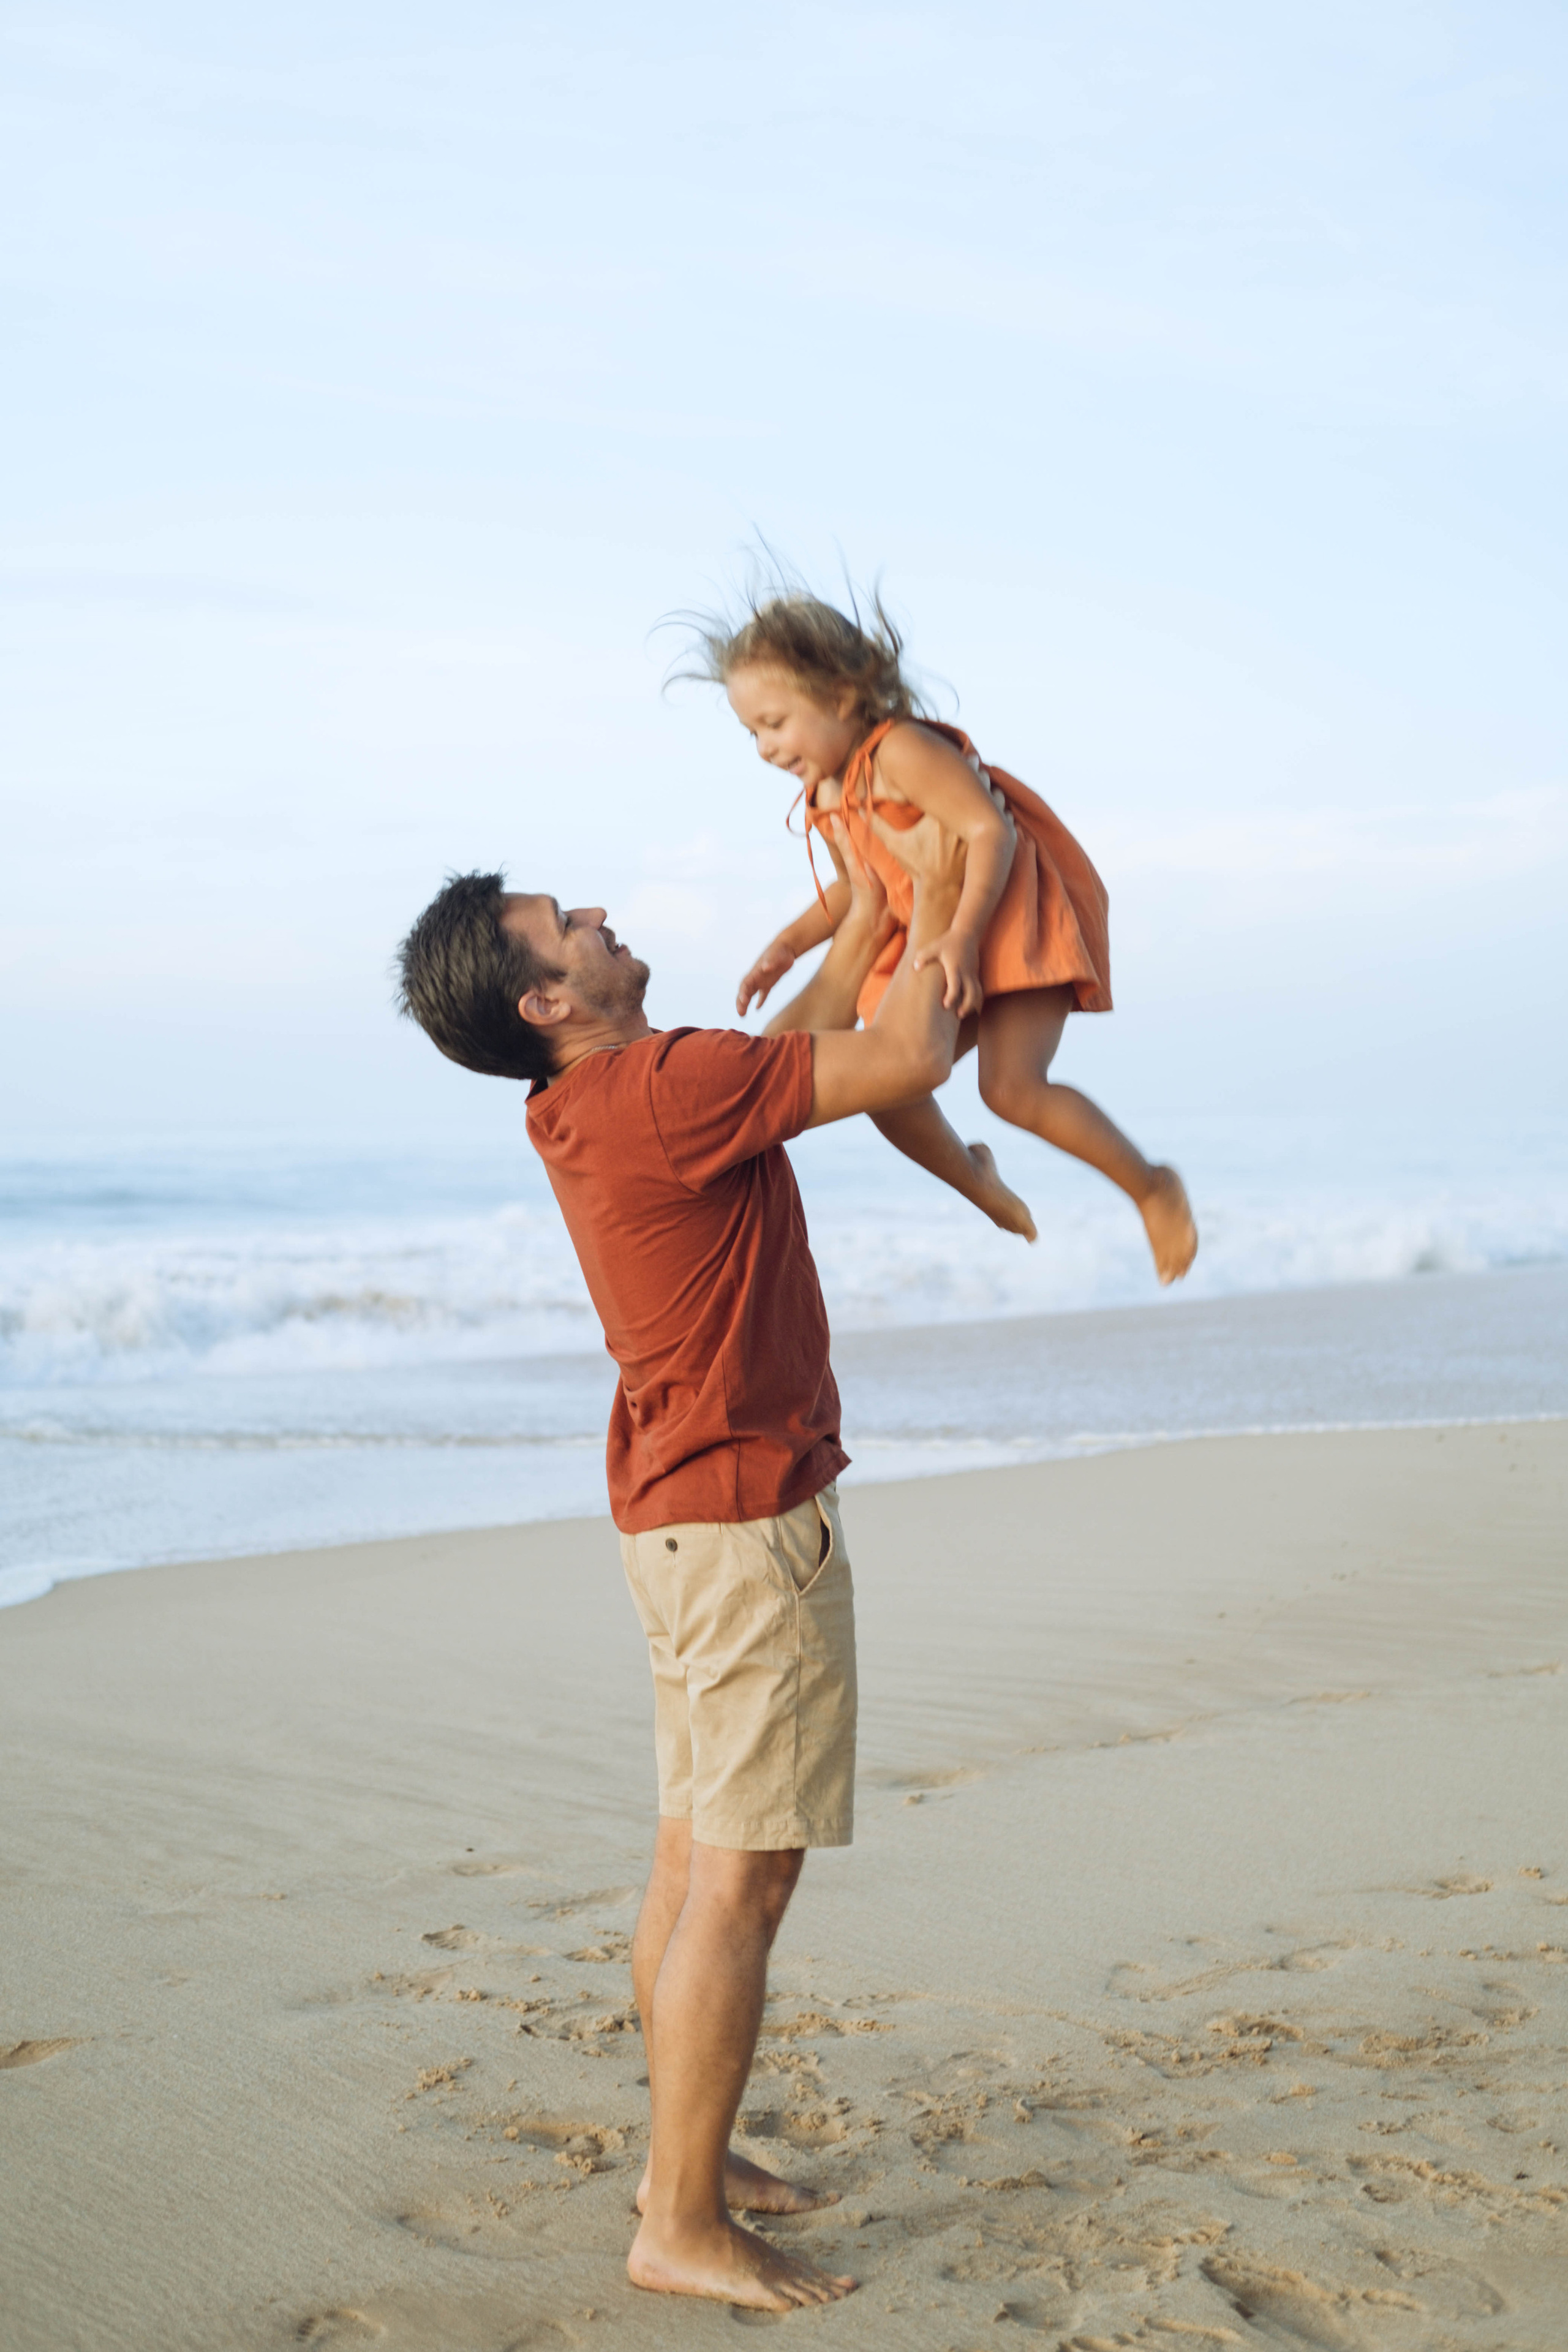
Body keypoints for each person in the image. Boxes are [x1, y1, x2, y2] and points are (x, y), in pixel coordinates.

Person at [395, 805, 990, 2313]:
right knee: (744, 1878)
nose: (593, 916)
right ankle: (676, 2218)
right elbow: (900, 1057)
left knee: (687, 1849)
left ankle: (691, 2157)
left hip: (674, 1519)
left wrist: (855, 913)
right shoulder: (665, 1088)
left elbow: (778, 1060)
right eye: (564, 922)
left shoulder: (605, 1100)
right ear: (547, 997)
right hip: (739, 1527)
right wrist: (949, 896)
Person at [687, 588, 1199, 1286]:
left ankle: (1150, 1186)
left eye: (775, 723)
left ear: (841, 696)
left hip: (1004, 916)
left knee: (1013, 1089)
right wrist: (790, 942)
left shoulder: (899, 751)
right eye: (752, 732)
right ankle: (976, 1179)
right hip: (928, 934)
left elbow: (991, 831)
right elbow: (855, 888)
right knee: (882, 1081)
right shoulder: (828, 792)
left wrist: (962, 934)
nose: (766, 748)